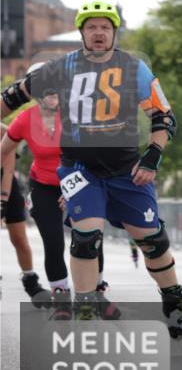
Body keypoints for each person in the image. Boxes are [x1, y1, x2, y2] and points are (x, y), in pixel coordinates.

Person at [1, 0, 182, 338]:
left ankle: (176, 308)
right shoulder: (60, 69)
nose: (98, 33)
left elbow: (163, 117)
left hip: (127, 169)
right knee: (86, 237)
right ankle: (85, 314)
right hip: (79, 169)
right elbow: (13, 96)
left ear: (114, 32)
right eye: (91, 27)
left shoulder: (134, 68)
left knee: (153, 240)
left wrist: (152, 156)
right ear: (82, 33)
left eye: (104, 27)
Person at [2, 63, 119, 319]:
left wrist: (72, 189)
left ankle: (97, 294)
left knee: (89, 240)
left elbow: (93, 155)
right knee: (53, 242)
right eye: (49, 91)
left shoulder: (76, 115)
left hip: (79, 180)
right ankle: (61, 300)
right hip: (43, 185)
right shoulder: (25, 119)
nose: (56, 96)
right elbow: (4, 150)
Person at [0, 124, 51, 309]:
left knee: (20, 239)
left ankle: (31, 283)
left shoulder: (4, 132)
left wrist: (3, 201)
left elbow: (7, 169)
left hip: (6, 186)